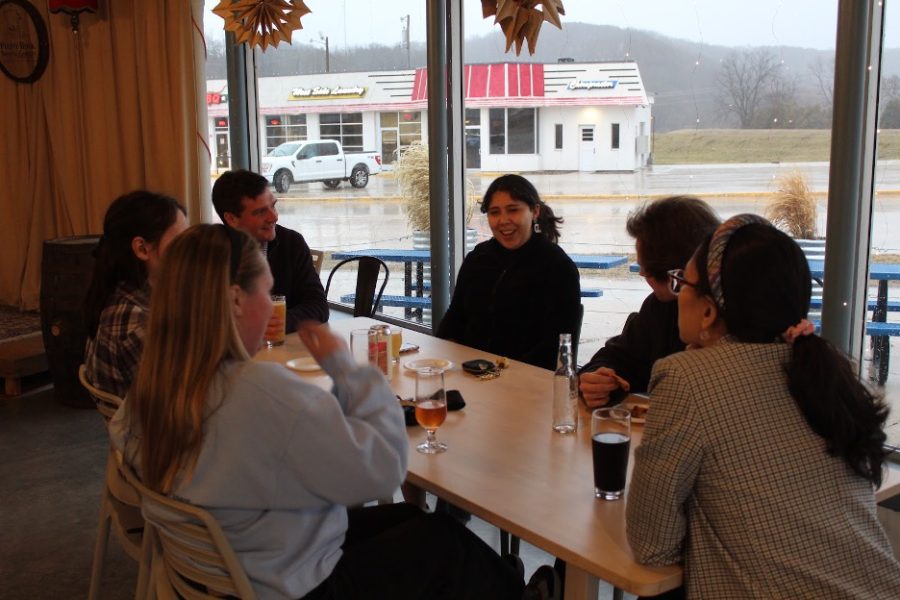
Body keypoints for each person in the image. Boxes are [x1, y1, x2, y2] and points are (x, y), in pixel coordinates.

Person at [109, 224, 525, 600]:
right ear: (236, 299)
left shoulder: (151, 389)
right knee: (448, 548)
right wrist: (351, 372)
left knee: (413, 521)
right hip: (293, 586)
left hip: (219, 573)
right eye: (266, 293)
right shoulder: (262, 394)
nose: (272, 310)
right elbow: (383, 470)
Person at [627, 215, 900, 598]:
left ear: (709, 311)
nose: (676, 294)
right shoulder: (826, 373)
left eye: (682, 283)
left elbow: (653, 545)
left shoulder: (687, 377)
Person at [578, 196, 719, 407]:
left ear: (678, 273)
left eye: (648, 268)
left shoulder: (739, 325)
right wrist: (599, 381)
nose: (642, 273)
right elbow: (619, 356)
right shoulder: (658, 306)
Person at [437, 174, 581, 370]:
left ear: (535, 211)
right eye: (494, 212)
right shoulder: (477, 259)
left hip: (527, 382)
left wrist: (502, 372)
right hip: (469, 373)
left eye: (513, 210)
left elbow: (555, 346)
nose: (503, 220)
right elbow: (454, 319)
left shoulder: (558, 267)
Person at [83, 190, 187, 397]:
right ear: (142, 248)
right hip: (159, 426)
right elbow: (179, 402)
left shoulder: (135, 295)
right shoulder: (135, 322)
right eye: (180, 242)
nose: (188, 250)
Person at [212, 169, 327, 333]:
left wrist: (281, 321)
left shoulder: (291, 242)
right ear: (232, 219)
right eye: (260, 212)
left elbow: (318, 305)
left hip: (282, 351)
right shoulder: (212, 254)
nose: (273, 217)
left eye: (273, 206)